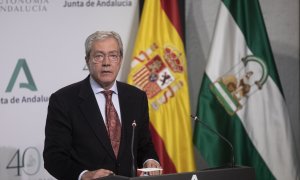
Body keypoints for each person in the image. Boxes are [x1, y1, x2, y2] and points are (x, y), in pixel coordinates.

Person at [43, 31, 161, 180]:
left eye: (113, 55)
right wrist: (84, 175)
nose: (106, 62)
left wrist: (150, 160)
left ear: (120, 60)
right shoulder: (64, 100)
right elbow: (53, 157)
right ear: (87, 60)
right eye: (99, 56)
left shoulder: (136, 97)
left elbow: (144, 145)